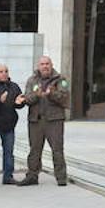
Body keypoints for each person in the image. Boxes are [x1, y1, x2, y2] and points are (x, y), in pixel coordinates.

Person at [16, 56, 69, 187]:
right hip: (36, 120)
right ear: (38, 66)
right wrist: (36, 95)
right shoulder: (32, 80)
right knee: (34, 149)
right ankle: (32, 176)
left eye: (47, 64)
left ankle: (61, 177)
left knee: (57, 149)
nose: (45, 66)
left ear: (51, 65)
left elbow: (64, 99)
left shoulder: (61, 80)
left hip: (54, 119)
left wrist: (52, 94)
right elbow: (27, 98)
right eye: (42, 64)